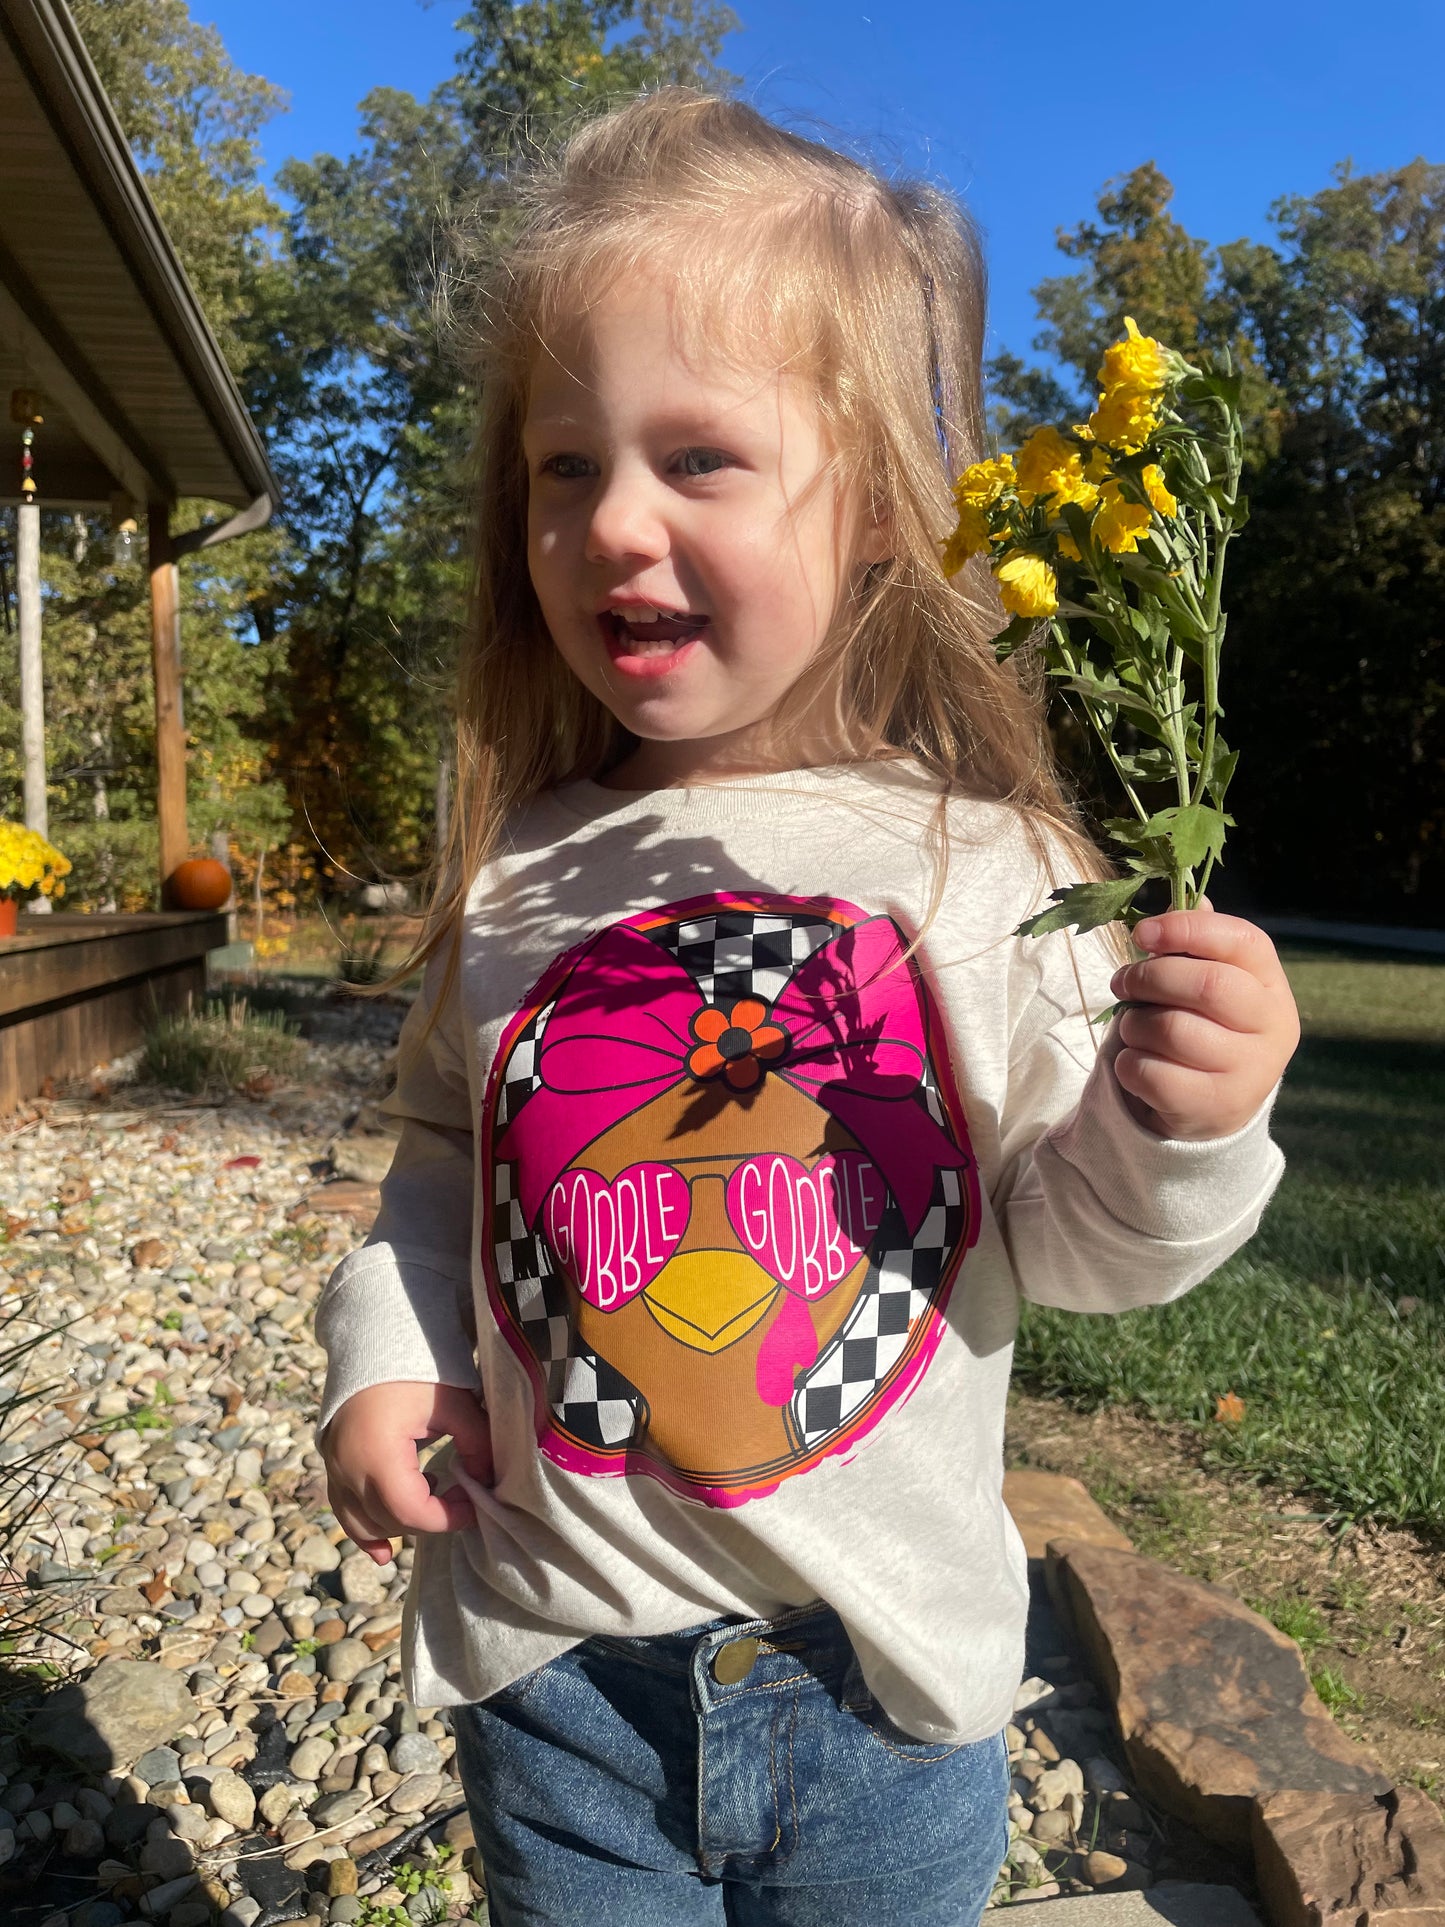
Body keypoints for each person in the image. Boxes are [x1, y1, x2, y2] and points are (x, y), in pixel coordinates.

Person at [315, 90, 1298, 1926]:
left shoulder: (979, 866)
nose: (612, 521)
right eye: (561, 465)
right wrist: (392, 1346)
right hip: (559, 1668)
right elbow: (449, 1149)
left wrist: (1181, 1122)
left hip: (883, 1693)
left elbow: (1072, 1245)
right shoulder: (531, 864)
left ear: (872, 512)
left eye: (698, 460)